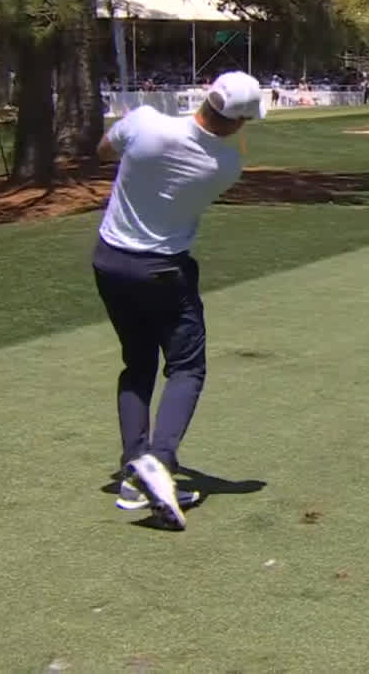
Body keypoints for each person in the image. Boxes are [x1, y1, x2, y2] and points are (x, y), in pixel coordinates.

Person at [91, 70, 264, 529]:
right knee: (186, 367)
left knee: (138, 365)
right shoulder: (225, 166)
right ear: (236, 122)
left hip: (109, 262)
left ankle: (134, 474)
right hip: (164, 271)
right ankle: (160, 462)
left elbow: (104, 150)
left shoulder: (145, 122)